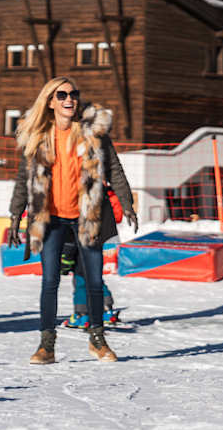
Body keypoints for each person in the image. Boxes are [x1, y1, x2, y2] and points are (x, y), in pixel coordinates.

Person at [7, 76, 137, 364]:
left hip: (86, 218)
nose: (69, 99)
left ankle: (98, 340)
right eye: (62, 94)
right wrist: (16, 213)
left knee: (93, 280)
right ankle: (46, 345)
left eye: (73, 94)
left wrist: (127, 203)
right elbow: (23, 179)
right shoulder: (39, 136)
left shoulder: (93, 133)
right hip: (50, 219)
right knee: (50, 282)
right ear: (50, 102)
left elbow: (114, 169)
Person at [60, 231, 119, 329]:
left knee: (80, 282)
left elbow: (70, 243)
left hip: (80, 249)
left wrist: (66, 259)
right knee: (97, 280)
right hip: (94, 241)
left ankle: (81, 315)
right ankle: (107, 309)